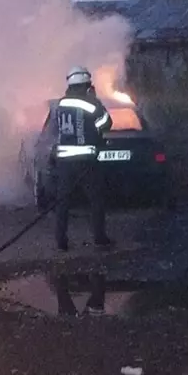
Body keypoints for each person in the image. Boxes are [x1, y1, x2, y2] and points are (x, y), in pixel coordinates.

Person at [53, 65, 113, 252]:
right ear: (87, 84)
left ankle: (61, 240)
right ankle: (99, 237)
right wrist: (95, 101)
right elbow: (106, 123)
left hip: (64, 161)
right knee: (96, 199)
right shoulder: (90, 103)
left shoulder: (61, 103)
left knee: (62, 202)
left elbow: (58, 127)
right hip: (85, 159)